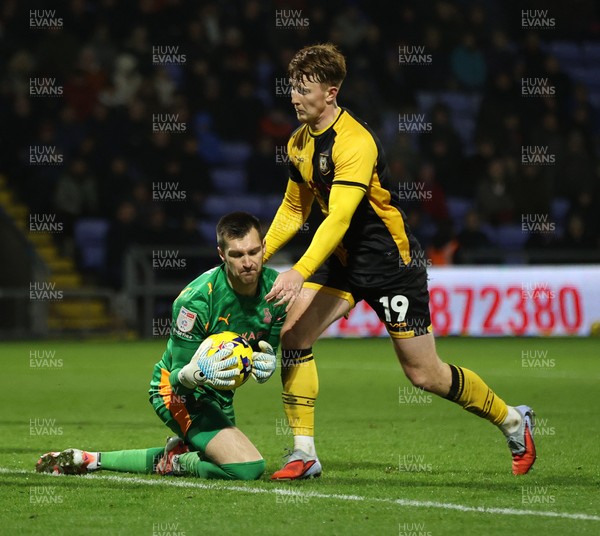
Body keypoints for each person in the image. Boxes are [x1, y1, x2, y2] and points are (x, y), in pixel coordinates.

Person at [263, 43, 536, 480]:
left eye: (304, 88)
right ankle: (303, 453)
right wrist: (261, 253)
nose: (294, 96)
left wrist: (298, 271)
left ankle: (514, 421)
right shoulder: (298, 144)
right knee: (294, 335)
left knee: (424, 375)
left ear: (331, 92)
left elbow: (339, 217)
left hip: (390, 265)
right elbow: (295, 210)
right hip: (343, 262)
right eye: (293, 86)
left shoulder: (355, 142)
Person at [36, 212, 286, 480]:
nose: (248, 262)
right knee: (247, 468)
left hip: (220, 395)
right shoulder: (195, 302)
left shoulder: (278, 290)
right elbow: (179, 377)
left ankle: (90, 460)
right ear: (222, 255)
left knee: (223, 461)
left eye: (253, 252)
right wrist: (195, 373)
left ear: (264, 248)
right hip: (177, 393)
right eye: (237, 255)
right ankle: (177, 461)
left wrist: (266, 364)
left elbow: (260, 352)